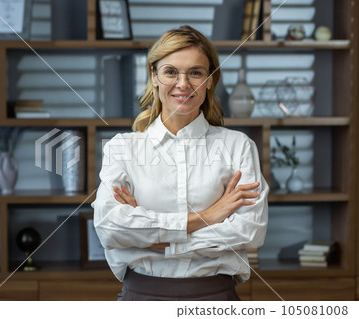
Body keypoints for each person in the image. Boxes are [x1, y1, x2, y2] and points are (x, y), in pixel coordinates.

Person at [91, 25, 268, 301]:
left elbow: (250, 232)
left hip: (216, 300)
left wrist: (155, 238)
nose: (183, 84)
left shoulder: (238, 146)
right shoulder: (123, 148)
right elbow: (110, 227)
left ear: (209, 80)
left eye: (195, 73)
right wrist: (208, 217)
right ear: (154, 77)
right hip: (142, 299)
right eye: (171, 71)